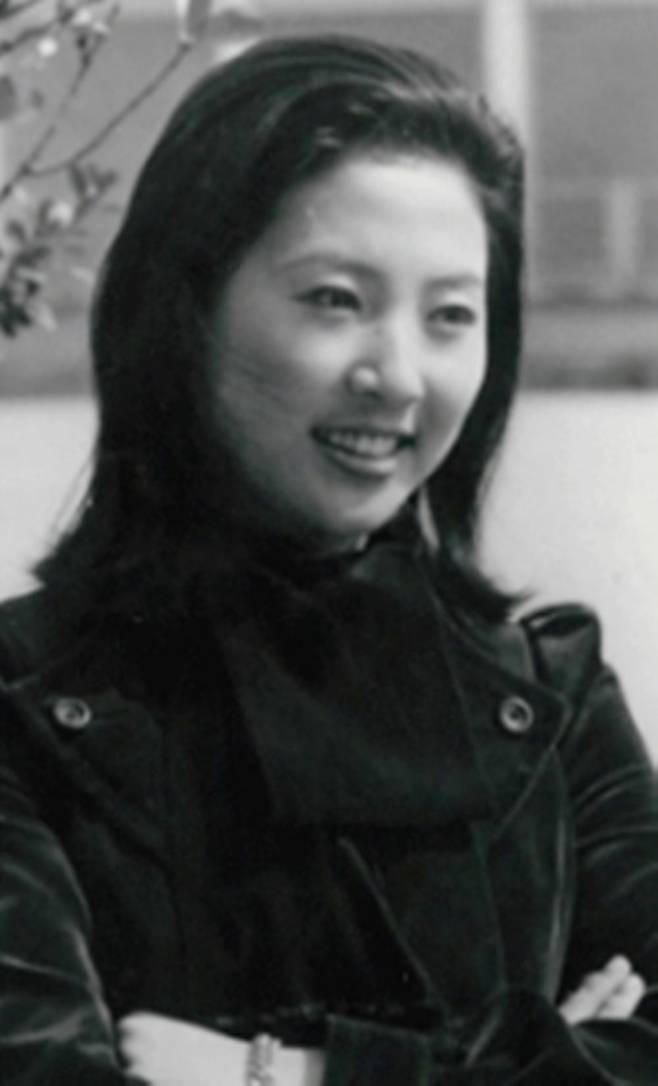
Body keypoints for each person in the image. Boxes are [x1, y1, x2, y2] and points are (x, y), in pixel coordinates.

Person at [0, 32, 656, 1086]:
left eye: (451, 315)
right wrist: (548, 1063)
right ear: (185, 312)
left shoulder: (551, 699)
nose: (399, 375)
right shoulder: (25, 707)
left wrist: (282, 1074)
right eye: (334, 300)